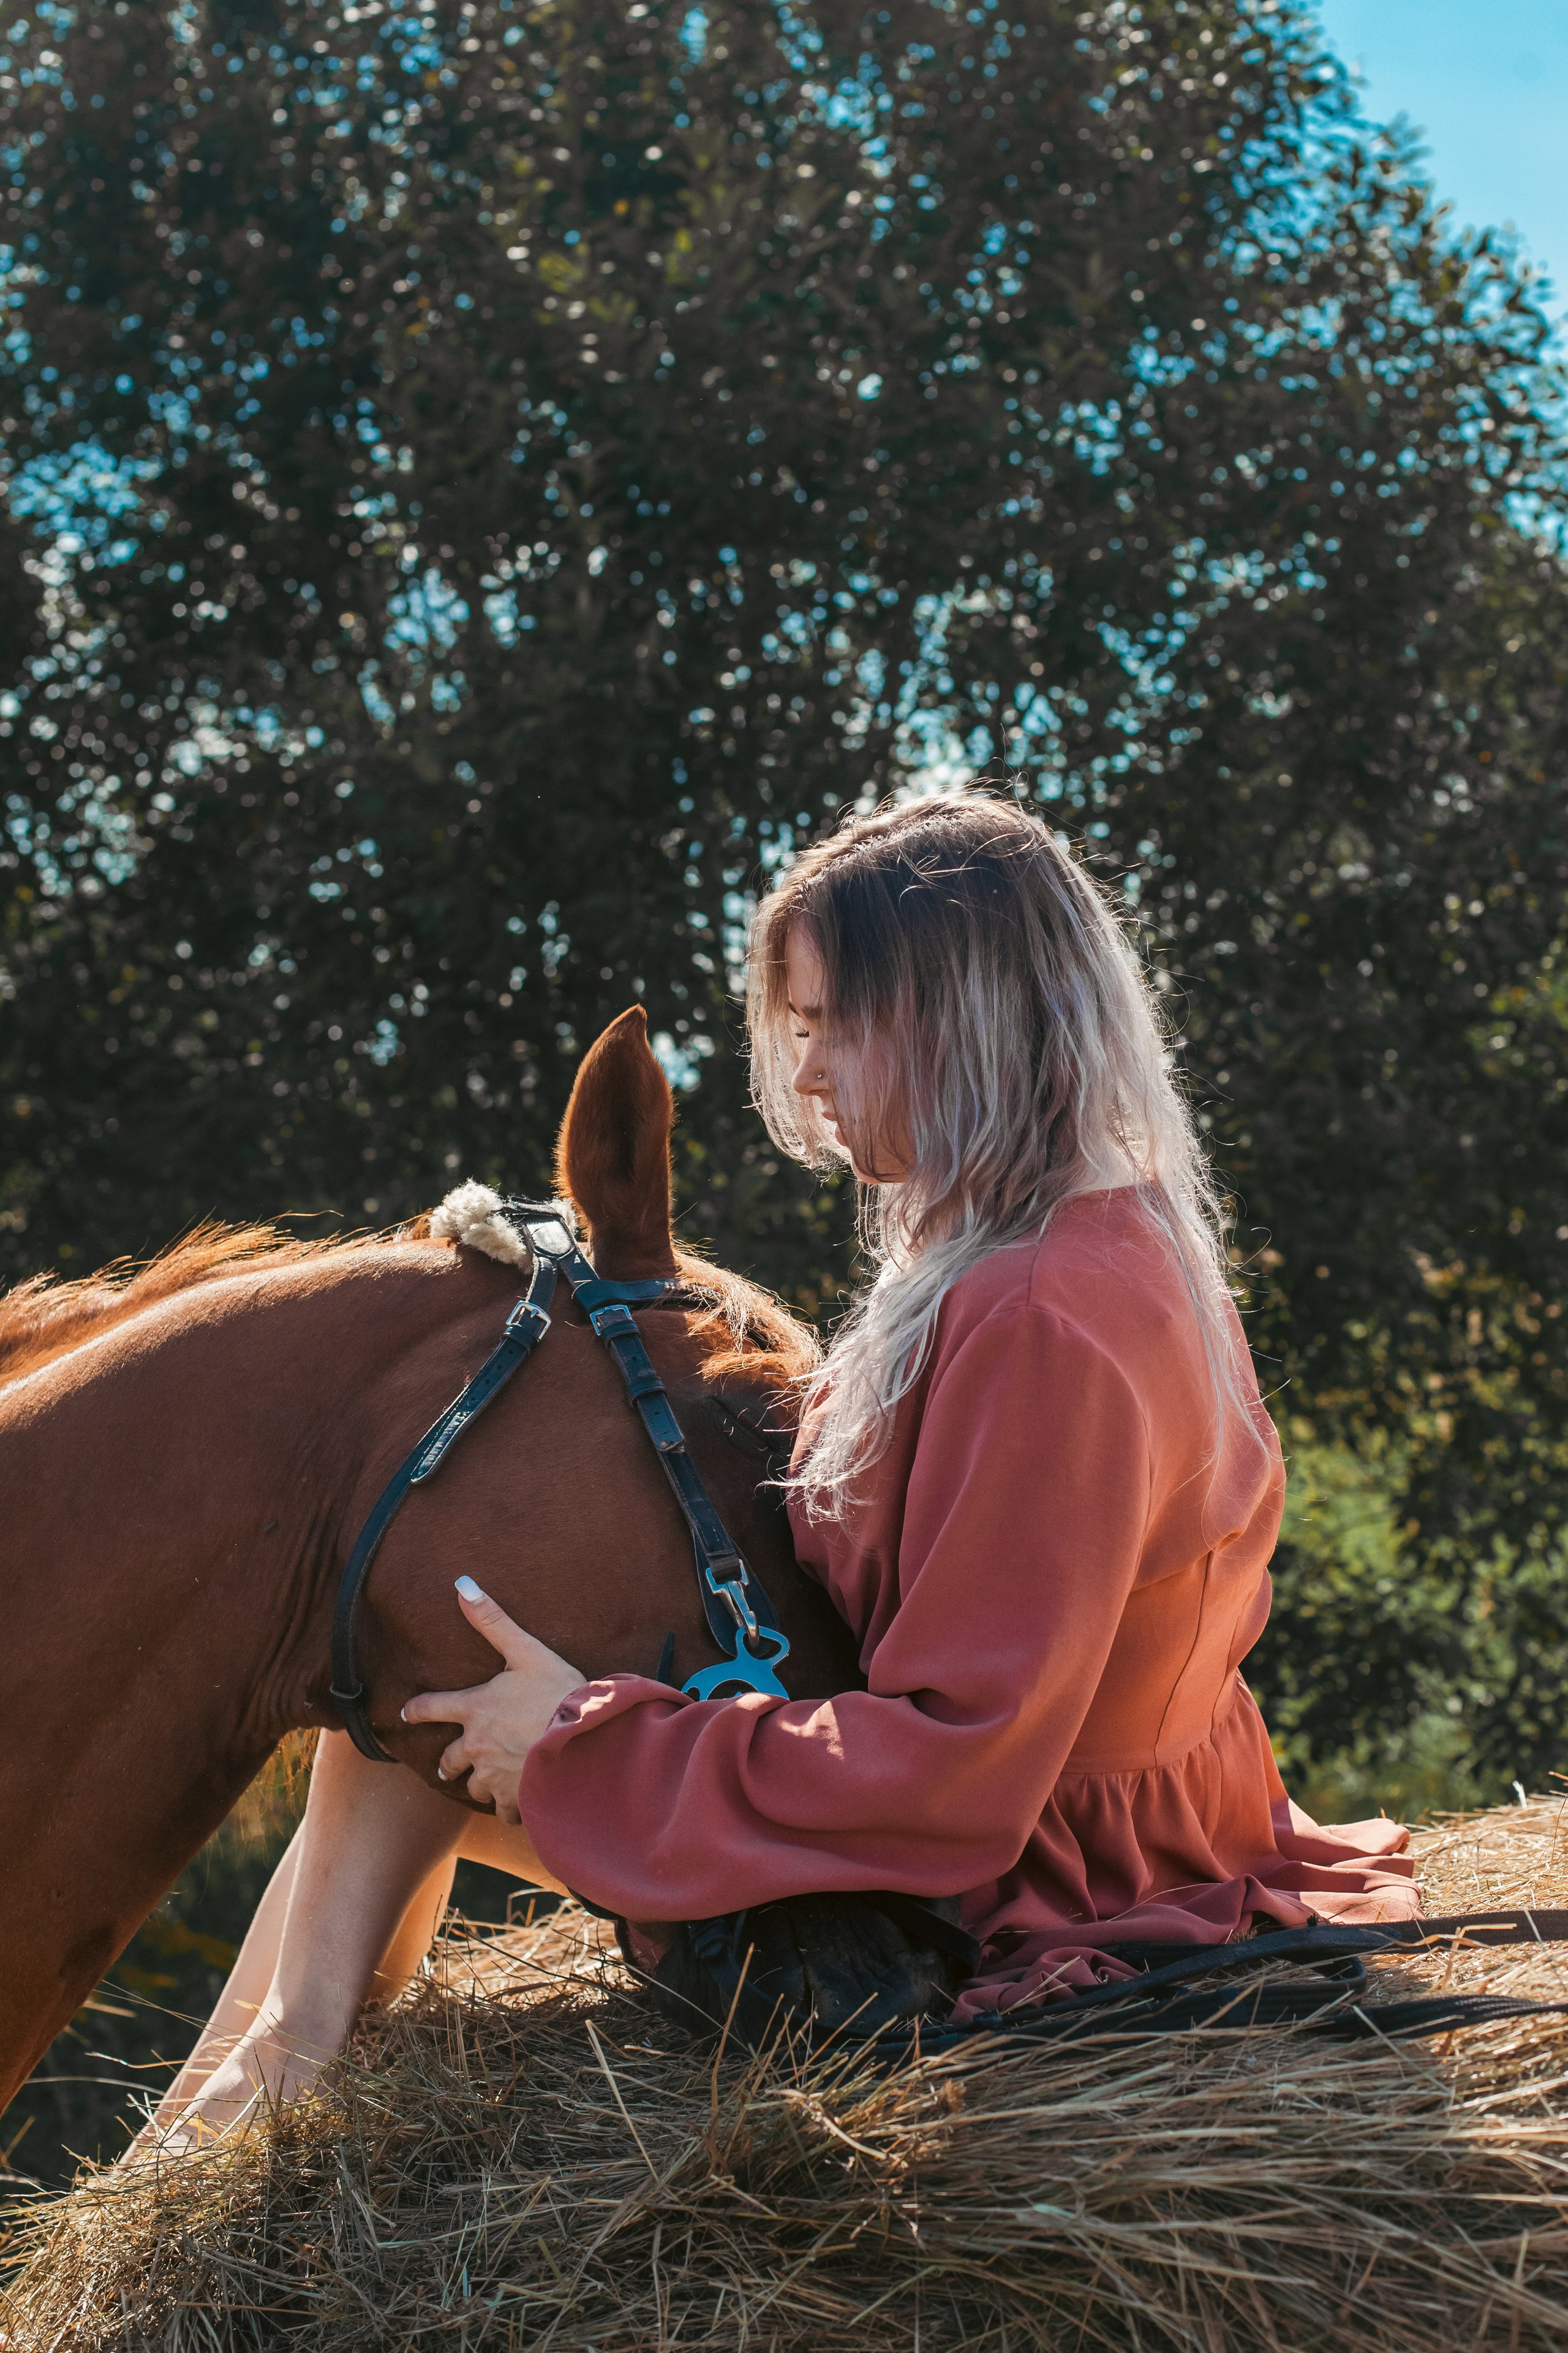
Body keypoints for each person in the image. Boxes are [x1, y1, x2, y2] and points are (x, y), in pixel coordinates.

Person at [152, 790, 1415, 2147]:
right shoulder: (1080, 1236)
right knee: (421, 1712)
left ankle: (247, 2117)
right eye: (798, 1027)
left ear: (966, 1014)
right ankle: (238, 2109)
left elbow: (964, 1768)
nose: (806, 1075)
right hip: (1034, 1824)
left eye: (838, 1025)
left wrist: (587, 1736)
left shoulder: (1039, 1310)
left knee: (432, 1715)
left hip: (1020, 1887)